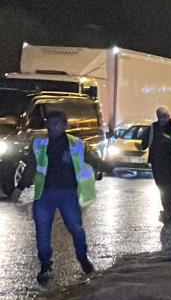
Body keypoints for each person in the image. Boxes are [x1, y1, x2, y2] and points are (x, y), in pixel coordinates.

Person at [19, 110, 109, 286]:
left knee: (76, 228)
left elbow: (95, 161)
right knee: (42, 231)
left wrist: (113, 168)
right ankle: (45, 266)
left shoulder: (76, 144)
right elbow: (31, 167)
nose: (51, 128)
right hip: (44, 194)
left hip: (68, 194)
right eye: (49, 124)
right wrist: (20, 187)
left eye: (56, 124)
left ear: (65, 126)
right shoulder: (38, 143)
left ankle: (83, 258)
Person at [140, 107, 171, 221]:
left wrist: (170, 139)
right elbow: (145, 141)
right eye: (160, 116)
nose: (162, 119)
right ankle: (167, 210)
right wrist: (142, 144)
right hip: (157, 162)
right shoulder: (153, 127)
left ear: (168, 115)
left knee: (170, 187)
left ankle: (167, 211)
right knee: (161, 186)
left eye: (164, 116)